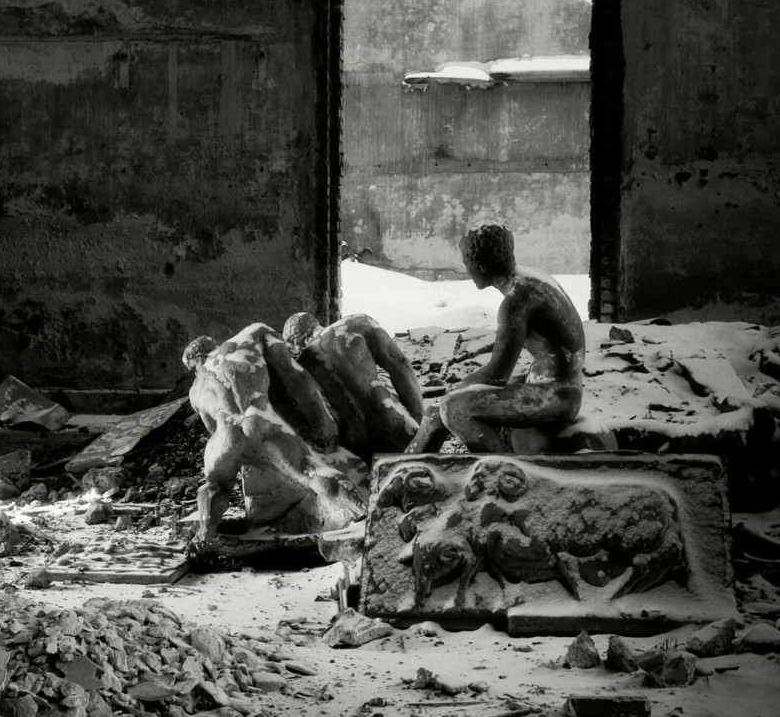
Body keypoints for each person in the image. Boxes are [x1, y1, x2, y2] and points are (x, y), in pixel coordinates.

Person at [183, 323, 366, 552]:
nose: (194, 372)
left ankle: (205, 534)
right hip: (257, 417)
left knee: (216, 484)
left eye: (192, 368)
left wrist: (241, 453)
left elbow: (211, 427)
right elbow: (296, 376)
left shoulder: (195, 390)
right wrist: (321, 420)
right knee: (309, 471)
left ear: (196, 359)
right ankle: (363, 511)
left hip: (225, 431)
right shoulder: (248, 338)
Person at [405, 224, 585, 455]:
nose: (466, 270)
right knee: (435, 413)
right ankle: (408, 464)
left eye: (466, 263)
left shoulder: (517, 300)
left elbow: (497, 375)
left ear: (481, 265)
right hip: (553, 385)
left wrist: (453, 392)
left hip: (557, 395)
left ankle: (499, 471)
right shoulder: (533, 277)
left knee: (454, 408)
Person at [282, 311, 424, 461]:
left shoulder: (302, 369)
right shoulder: (355, 324)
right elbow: (400, 365)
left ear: (295, 341)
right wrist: (418, 417)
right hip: (396, 424)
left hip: (358, 448)